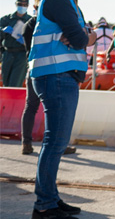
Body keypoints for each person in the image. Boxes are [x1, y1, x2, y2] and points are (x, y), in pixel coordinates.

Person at [27, 0, 97, 218]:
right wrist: (86, 36)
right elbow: (79, 39)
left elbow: (77, 36)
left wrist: (82, 35)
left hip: (58, 75)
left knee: (56, 141)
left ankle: (51, 199)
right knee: (55, 142)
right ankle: (45, 204)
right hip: (56, 75)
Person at [20, 10, 78, 157]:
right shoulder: (49, 24)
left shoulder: (29, 25)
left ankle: (26, 143)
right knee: (54, 109)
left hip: (33, 68)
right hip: (50, 69)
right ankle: (57, 145)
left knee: (31, 106)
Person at [1, 0, 32, 87]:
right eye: (20, 4)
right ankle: (6, 101)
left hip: (21, 54)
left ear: (27, 6)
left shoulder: (30, 20)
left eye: (24, 4)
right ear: (16, 4)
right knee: (6, 82)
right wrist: (2, 30)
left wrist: (26, 41)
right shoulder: (6, 19)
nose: (22, 6)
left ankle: (13, 101)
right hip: (7, 53)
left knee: (15, 83)